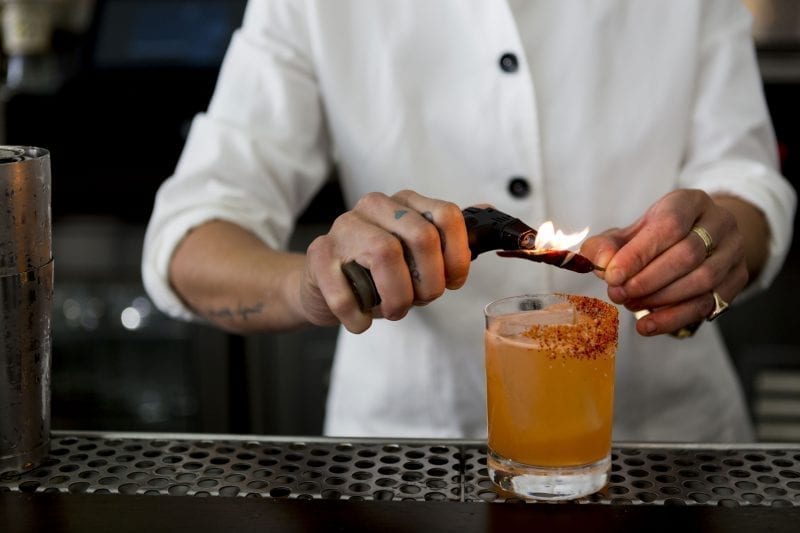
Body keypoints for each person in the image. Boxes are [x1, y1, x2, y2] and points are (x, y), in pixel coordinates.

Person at [142, 1, 796, 442]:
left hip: (664, 443)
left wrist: (720, 237)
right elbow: (192, 232)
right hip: (407, 457)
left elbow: (746, 179)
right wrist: (309, 285)